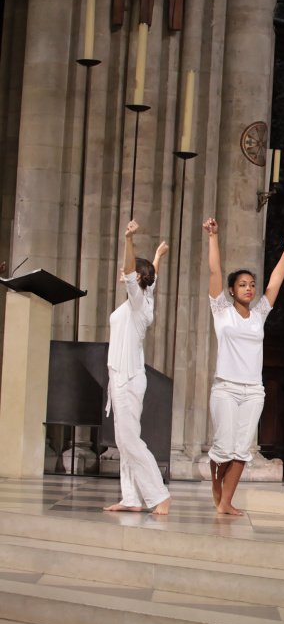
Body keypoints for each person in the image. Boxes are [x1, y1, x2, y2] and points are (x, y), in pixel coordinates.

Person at [203, 217, 284, 514]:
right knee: (222, 449)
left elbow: (275, 283)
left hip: (253, 391)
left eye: (251, 285)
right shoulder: (221, 312)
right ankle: (216, 484)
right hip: (226, 388)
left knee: (242, 450)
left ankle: (226, 503)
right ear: (231, 290)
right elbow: (215, 270)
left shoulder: (259, 315)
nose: (249, 288)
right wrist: (213, 237)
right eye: (242, 285)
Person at [103, 220, 171, 515]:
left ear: (137, 277)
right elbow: (149, 279)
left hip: (128, 378)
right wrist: (157, 258)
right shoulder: (143, 300)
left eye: (130, 272)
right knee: (123, 439)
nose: (124, 273)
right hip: (118, 376)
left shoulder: (138, 303)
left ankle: (159, 495)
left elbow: (133, 276)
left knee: (130, 439)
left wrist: (128, 239)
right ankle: (131, 497)